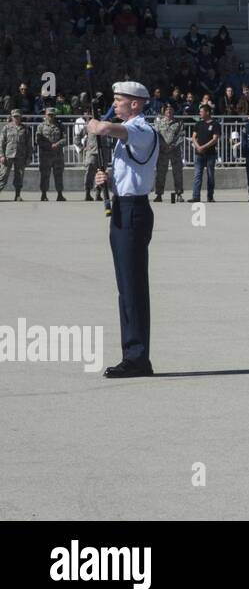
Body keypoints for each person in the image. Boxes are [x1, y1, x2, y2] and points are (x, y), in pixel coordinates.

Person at [87, 81, 159, 378]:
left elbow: (105, 129)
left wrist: (96, 124)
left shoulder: (142, 129)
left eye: (119, 100)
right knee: (125, 288)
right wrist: (107, 179)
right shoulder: (128, 132)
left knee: (132, 287)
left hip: (134, 211)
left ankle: (138, 357)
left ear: (136, 103)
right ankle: (132, 353)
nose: (114, 104)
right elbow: (129, 173)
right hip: (122, 207)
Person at [152, 102, 186, 202]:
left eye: (171, 109)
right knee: (161, 173)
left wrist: (172, 146)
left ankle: (179, 194)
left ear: (174, 111)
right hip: (162, 151)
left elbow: (181, 136)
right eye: (167, 109)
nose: (169, 111)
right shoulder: (159, 122)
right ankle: (159, 194)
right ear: (164, 111)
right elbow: (156, 135)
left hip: (175, 151)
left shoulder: (179, 123)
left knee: (178, 173)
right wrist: (163, 146)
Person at [36, 107, 66, 201]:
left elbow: (65, 139)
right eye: (49, 115)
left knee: (59, 175)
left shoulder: (60, 125)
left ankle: (60, 194)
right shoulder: (41, 126)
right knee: (45, 175)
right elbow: (38, 140)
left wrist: (57, 144)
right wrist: (49, 145)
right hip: (45, 155)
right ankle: (44, 194)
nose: (50, 116)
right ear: (45, 115)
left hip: (58, 155)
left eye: (52, 115)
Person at [189, 103, 218, 202]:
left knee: (210, 176)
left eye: (201, 111)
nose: (200, 113)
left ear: (207, 112)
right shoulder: (198, 124)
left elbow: (215, 139)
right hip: (199, 154)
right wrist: (198, 147)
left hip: (210, 154)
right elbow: (193, 137)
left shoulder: (215, 124)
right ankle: (196, 196)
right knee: (197, 175)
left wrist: (203, 147)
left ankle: (210, 196)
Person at [0, 109, 30, 200]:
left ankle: (17, 195)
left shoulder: (25, 129)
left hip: (21, 155)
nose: (16, 118)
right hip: (8, 155)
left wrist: (28, 157)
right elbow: (1, 142)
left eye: (18, 116)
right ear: (12, 117)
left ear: (21, 117)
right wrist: (1, 155)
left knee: (19, 175)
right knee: (3, 175)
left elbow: (29, 144)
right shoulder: (6, 127)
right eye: (15, 117)